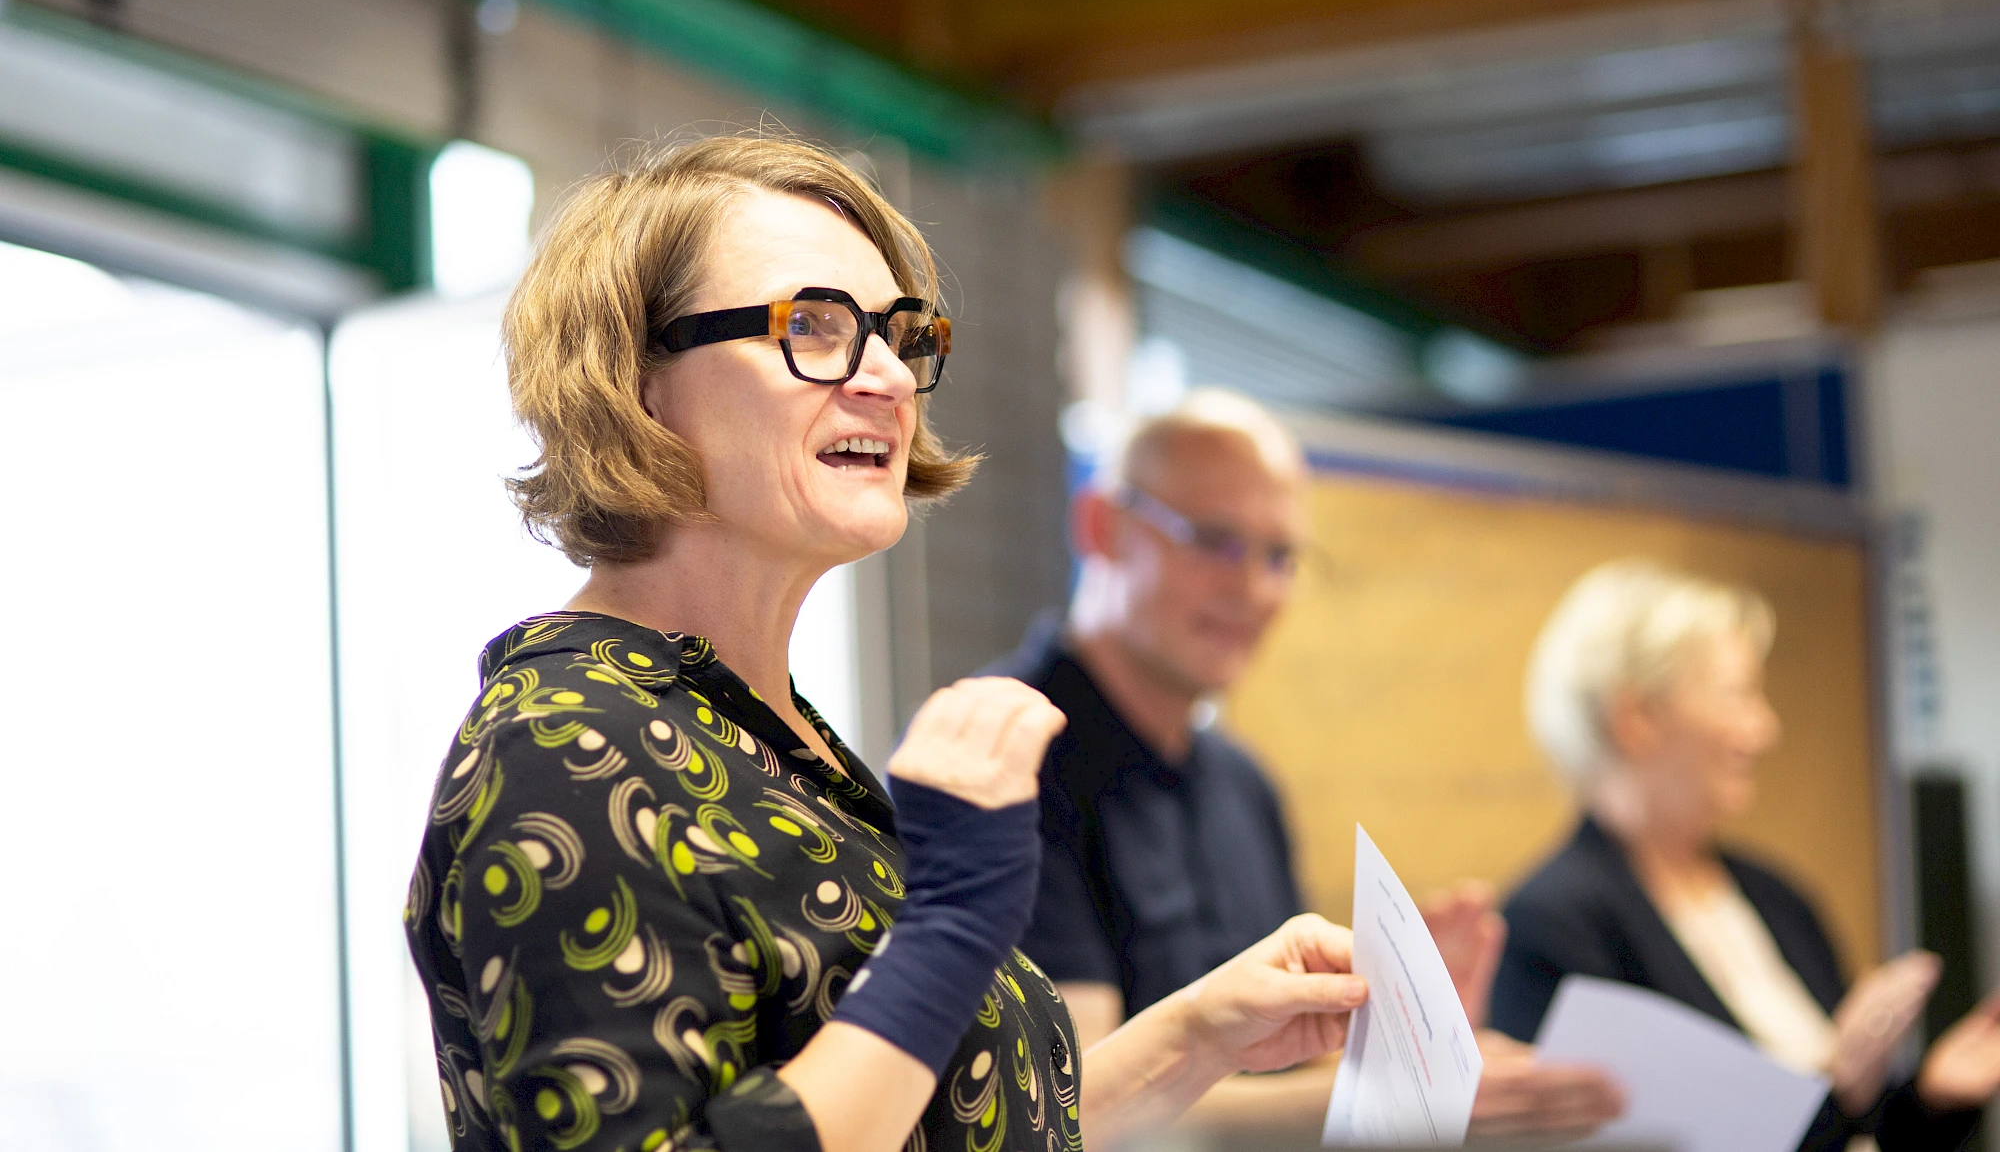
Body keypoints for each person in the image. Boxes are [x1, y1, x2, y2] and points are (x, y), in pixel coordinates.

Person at [404, 135, 1377, 1152]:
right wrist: (951, 925)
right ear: (635, 380)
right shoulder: (564, 747)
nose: (888, 378)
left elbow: (949, 1124)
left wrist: (1201, 1032)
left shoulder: (759, 730)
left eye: (895, 334)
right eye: (811, 325)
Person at [988, 389, 1624, 1137]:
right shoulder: (1004, 757)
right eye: (1216, 540)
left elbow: (1288, 1066)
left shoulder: (1241, 783)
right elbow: (1070, 1106)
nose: (1254, 588)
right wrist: (1397, 1101)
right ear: (1102, 526)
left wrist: (1411, 1039)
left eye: (1280, 556)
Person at [1492, 558, 2000, 1151]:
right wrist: (1836, 1095)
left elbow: (1856, 1126)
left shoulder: (1776, 896)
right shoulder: (1550, 925)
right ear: (1637, 717)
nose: (1764, 729)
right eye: (1739, 696)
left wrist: (1933, 1099)